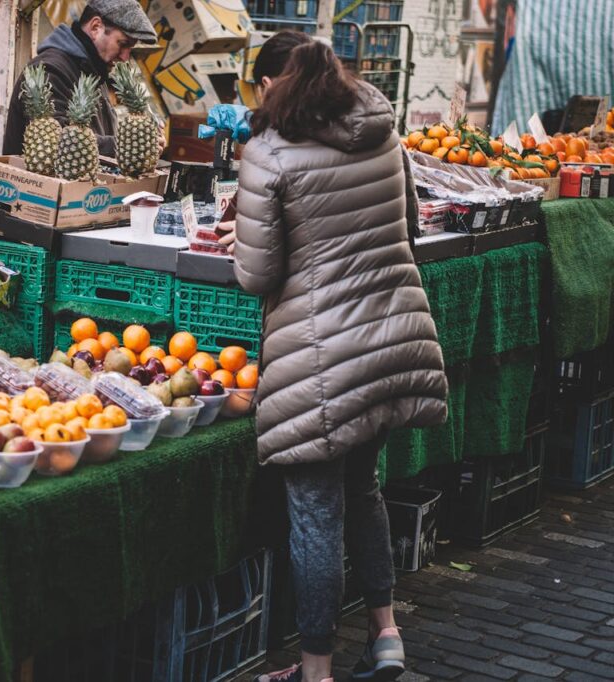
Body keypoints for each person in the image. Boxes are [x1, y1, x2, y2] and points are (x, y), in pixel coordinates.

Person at [228, 34, 449, 682]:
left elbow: (256, 273)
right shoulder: (381, 127)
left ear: (272, 85)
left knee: (316, 514)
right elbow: (409, 223)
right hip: (390, 341)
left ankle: (316, 671)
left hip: (322, 360)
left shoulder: (268, 152)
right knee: (365, 489)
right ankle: (386, 636)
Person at [2, 0, 159, 159]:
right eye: (123, 44)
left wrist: (141, 141)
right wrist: (127, 145)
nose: (125, 58)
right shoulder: (49, 69)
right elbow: (56, 142)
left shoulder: (94, 71)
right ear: (95, 27)